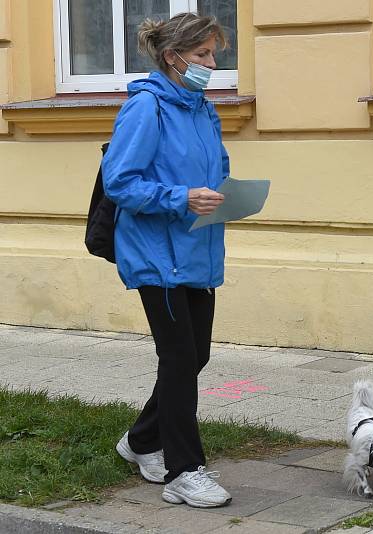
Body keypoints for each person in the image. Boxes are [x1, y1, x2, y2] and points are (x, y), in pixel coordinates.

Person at [102, 12, 231, 508]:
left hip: (197, 246)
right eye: (201, 55)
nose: (210, 64)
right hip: (158, 254)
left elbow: (215, 166)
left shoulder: (201, 107)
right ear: (173, 58)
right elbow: (121, 182)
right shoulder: (146, 108)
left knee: (194, 355)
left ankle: (139, 442)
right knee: (178, 358)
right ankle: (184, 470)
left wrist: (224, 192)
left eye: (213, 54)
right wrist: (181, 197)